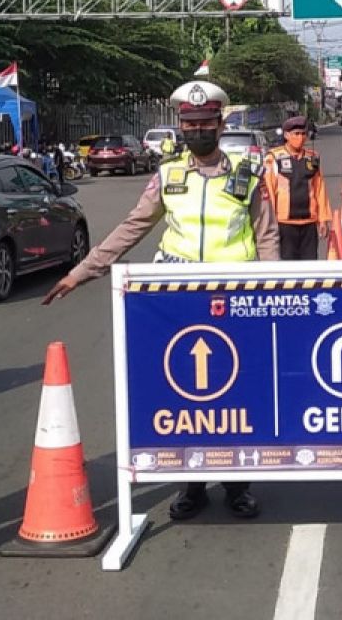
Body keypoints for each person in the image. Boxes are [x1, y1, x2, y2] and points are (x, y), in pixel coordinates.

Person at [42, 80, 279, 521]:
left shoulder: (248, 175)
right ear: (180, 127)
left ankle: (237, 485)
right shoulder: (168, 177)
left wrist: (274, 294)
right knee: (186, 398)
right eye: (190, 125)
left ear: (220, 124)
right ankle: (191, 485)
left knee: (238, 398)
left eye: (206, 123)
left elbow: (266, 236)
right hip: (181, 305)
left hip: (237, 303)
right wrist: (82, 271)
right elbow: (132, 228)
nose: (198, 131)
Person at [263, 115, 332, 260]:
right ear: (287, 135)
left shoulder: (312, 158)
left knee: (309, 267)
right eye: (296, 134)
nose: (300, 137)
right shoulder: (274, 158)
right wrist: (270, 223)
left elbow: (320, 189)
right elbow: (269, 190)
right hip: (284, 224)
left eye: (303, 134)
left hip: (309, 223)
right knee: (288, 268)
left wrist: (323, 219)